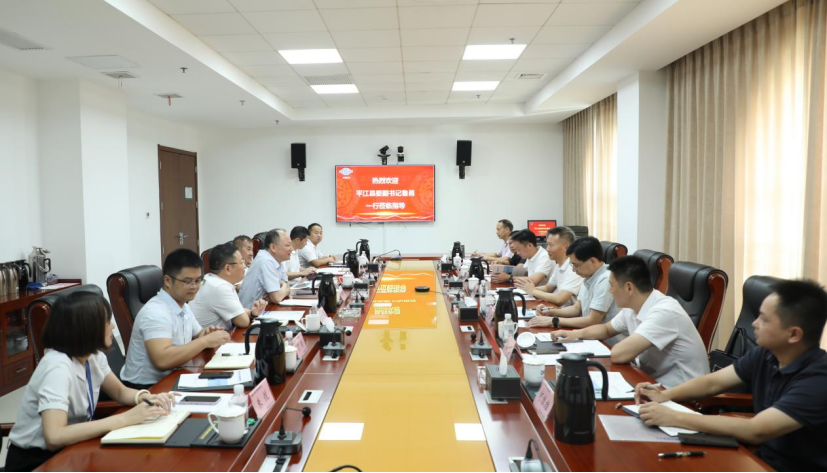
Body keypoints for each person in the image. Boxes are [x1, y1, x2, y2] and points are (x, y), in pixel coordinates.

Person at [634, 279, 827, 472]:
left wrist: (673, 417)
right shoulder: (766, 354)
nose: (754, 323)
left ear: (794, 334)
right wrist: (665, 394)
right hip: (760, 459)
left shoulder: (818, 381)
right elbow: (713, 382)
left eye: (764, 319)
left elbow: (756, 430)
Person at [7, 292, 176, 472]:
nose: (112, 326)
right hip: (38, 461)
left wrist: (146, 397)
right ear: (87, 328)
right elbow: (54, 436)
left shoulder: (93, 356)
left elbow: (120, 392)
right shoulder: (57, 367)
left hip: (73, 449)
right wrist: (126, 418)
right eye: (107, 322)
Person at [553, 255, 709, 388]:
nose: (610, 291)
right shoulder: (634, 306)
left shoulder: (664, 312)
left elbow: (619, 355)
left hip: (679, 393)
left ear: (629, 288)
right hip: (650, 382)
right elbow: (606, 329)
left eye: (612, 285)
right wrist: (573, 335)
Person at [121, 249, 231, 389]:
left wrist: (207, 333)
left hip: (175, 376)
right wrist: (205, 341)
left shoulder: (183, 305)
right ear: (167, 281)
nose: (194, 287)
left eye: (198, 281)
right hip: (147, 388)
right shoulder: (155, 312)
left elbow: (198, 334)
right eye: (187, 281)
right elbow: (163, 360)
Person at [529, 236, 623, 345]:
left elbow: (592, 320)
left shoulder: (606, 279)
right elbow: (577, 309)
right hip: (591, 337)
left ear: (592, 261)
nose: (574, 270)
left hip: (607, 344)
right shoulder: (589, 276)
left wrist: (554, 320)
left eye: (576, 265)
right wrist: (550, 312)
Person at [190, 242, 267, 330]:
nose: (245, 266)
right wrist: (249, 314)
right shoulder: (219, 288)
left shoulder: (211, 279)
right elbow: (243, 321)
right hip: (209, 338)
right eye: (242, 262)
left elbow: (238, 311)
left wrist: (252, 312)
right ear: (228, 268)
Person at [516, 226, 583, 307]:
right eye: (547, 245)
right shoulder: (559, 265)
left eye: (551, 245)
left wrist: (533, 291)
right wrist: (526, 289)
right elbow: (548, 288)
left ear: (566, 247)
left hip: (567, 312)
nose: (547, 249)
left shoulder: (574, 268)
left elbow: (560, 299)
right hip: (557, 309)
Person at [239, 229, 292, 307]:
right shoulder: (265, 260)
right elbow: (277, 298)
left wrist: (282, 288)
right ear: (273, 247)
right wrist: (283, 286)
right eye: (288, 245)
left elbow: (287, 288)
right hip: (250, 311)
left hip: (263, 308)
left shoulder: (277, 261)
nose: (291, 249)